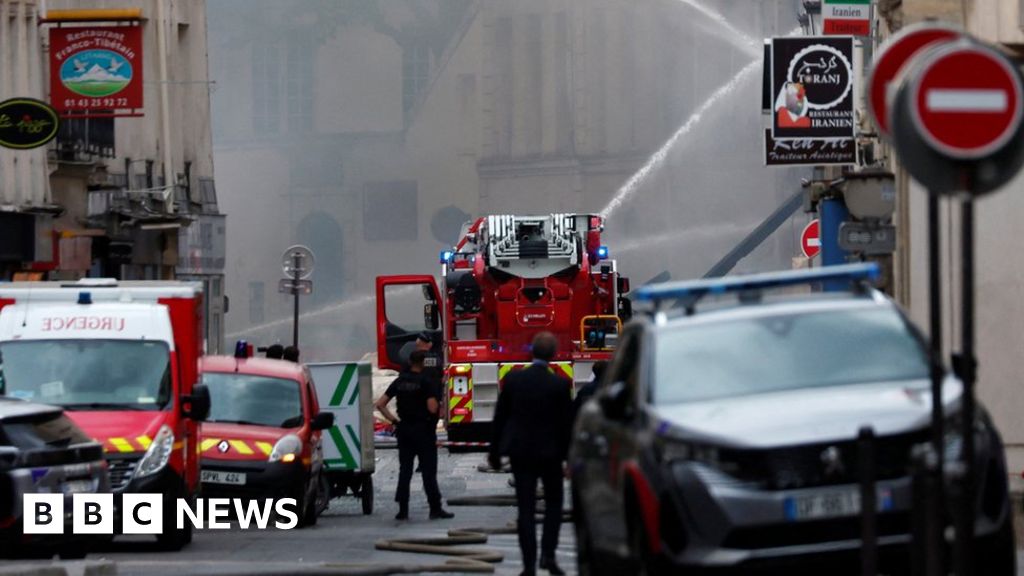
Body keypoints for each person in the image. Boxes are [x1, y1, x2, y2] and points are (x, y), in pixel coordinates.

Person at [489, 332, 573, 576]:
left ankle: (528, 566)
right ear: (554, 355)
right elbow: (566, 424)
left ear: (531, 352)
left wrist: (494, 451)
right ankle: (549, 555)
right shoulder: (559, 385)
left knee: (525, 509)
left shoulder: (514, 381)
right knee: (554, 505)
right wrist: (569, 459)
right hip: (550, 454)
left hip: (521, 452)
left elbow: (500, 417)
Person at [375, 350, 454, 521]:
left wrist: (395, 422)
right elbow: (432, 408)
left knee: (405, 471)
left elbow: (380, 404)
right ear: (423, 363)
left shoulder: (400, 381)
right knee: (428, 471)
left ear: (410, 362)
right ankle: (435, 508)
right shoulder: (426, 382)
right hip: (423, 431)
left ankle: (403, 510)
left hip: (404, 431)